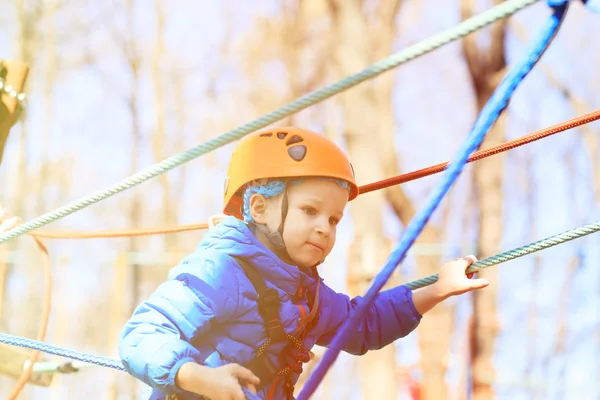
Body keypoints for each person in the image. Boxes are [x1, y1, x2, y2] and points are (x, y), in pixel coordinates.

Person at [118, 127, 489, 400]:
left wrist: (438, 289)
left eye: (333, 220)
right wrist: (195, 376)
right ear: (260, 208)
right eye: (310, 210)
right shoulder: (221, 270)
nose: (324, 228)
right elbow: (141, 335)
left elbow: (363, 325)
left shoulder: (307, 296)